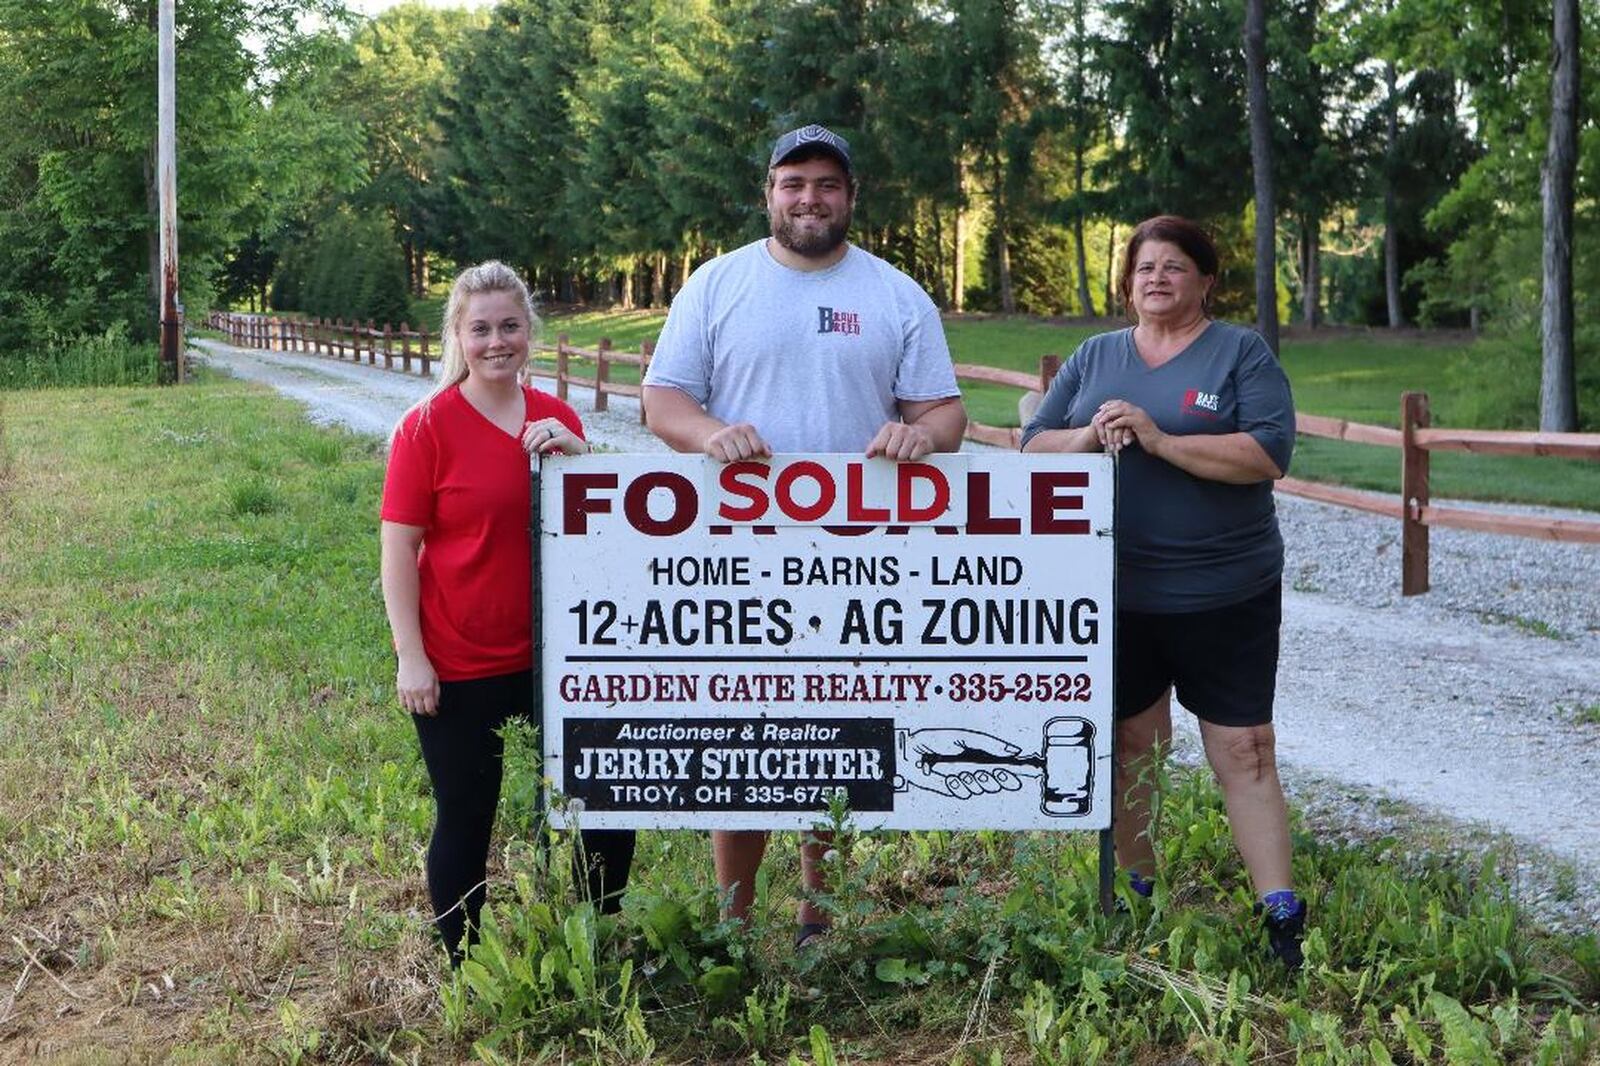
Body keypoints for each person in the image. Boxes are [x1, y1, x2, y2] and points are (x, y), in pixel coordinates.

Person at [642, 124, 968, 946]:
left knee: (841, 733)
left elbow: (945, 410)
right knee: (743, 733)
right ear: (769, 194)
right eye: (794, 183)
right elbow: (663, 402)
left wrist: (920, 436)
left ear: (851, 197)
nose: (810, 198)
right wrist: (708, 433)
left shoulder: (896, 293)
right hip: (738, 557)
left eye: (826, 184)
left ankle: (821, 915)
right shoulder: (716, 286)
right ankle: (733, 919)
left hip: (859, 558)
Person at [1020, 216, 1306, 967]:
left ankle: (1280, 915)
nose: (1157, 278)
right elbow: (1031, 445)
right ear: (1128, 281)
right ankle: (1134, 896)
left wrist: (1160, 438)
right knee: (1131, 742)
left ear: (1206, 281)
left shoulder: (1240, 352)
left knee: (1243, 747)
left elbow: (1266, 454)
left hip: (1227, 590)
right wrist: (1087, 437)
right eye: (1144, 267)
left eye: (1175, 267)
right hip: (1117, 591)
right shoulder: (1096, 356)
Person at [380, 261, 635, 963]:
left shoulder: (560, 418)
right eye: (481, 328)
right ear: (458, 336)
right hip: (460, 656)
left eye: (510, 326)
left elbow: (598, 532)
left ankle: (596, 939)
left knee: (604, 799)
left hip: (559, 654)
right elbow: (399, 549)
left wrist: (580, 461)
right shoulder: (425, 427)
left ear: (530, 332)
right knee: (467, 814)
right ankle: (467, 966)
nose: (498, 341)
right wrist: (412, 656)